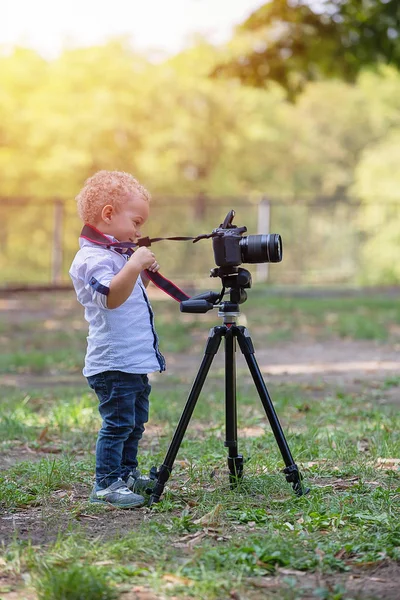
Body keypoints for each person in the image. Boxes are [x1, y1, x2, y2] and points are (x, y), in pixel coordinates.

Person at [69, 170, 165, 508]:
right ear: (108, 214)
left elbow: (130, 295)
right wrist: (134, 264)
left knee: (135, 424)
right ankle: (105, 484)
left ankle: (125, 474)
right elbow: (110, 296)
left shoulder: (118, 256)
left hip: (133, 360)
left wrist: (140, 269)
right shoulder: (91, 259)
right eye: (136, 222)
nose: (139, 231)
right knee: (118, 424)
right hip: (112, 363)